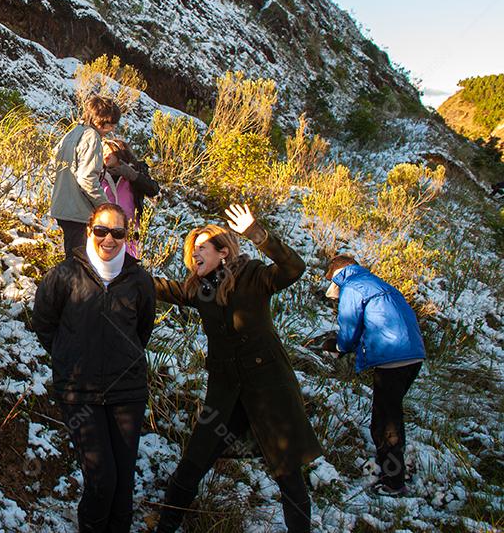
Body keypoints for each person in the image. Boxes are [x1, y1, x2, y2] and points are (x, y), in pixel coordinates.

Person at [152, 204, 320, 533]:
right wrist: (123, 270)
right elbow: (166, 289)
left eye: (202, 248)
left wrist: (258, 234)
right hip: (226, 394)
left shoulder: (255, 275)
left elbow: (293, 267)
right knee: (192, 464)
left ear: (224, 252)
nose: (194, 254)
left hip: (269, 390)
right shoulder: (200, 289)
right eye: (192, 250)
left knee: (288, 474)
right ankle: (164, 527)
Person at [32, 203, 156, 533]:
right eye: (101, 230)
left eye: (118, 233)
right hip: (79, 393)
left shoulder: (139, 280)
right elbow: (44, 323)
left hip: (126, 392)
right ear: (89, 230)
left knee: (123, 487)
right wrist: (69, 358)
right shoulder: (64, 275)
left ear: (126, 236)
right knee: (102, 481)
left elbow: (142, 330)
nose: (109, 239)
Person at [322, 255, 425, 497]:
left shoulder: (352, 287)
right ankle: (394, 469)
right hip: (413, 354)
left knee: (385, 422)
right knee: (391, 415)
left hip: (392, 358)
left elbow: (349, 326)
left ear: (337, 275)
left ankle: (394, 482)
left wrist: (339, 348)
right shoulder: (377, 283)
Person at [51, 96, 120, 256]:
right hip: (79, 212)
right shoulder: (92, 137)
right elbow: (87, 179)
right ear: (102, 120)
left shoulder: (72, 133)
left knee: (72, 261)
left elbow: (52, 165)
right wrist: (106, 207)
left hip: (62, 207)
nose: (112, 128)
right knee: (80, 265)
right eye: (111, 123)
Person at [99, 138, 160, 257]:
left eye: (109, 151)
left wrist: (133, 176)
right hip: (104, 230)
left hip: (129, 231)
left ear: (119, 151)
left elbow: (153, 190)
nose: (105, 155)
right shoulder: (99, 175)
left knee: (128, 264)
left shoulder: (135, 170)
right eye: (103, 152)